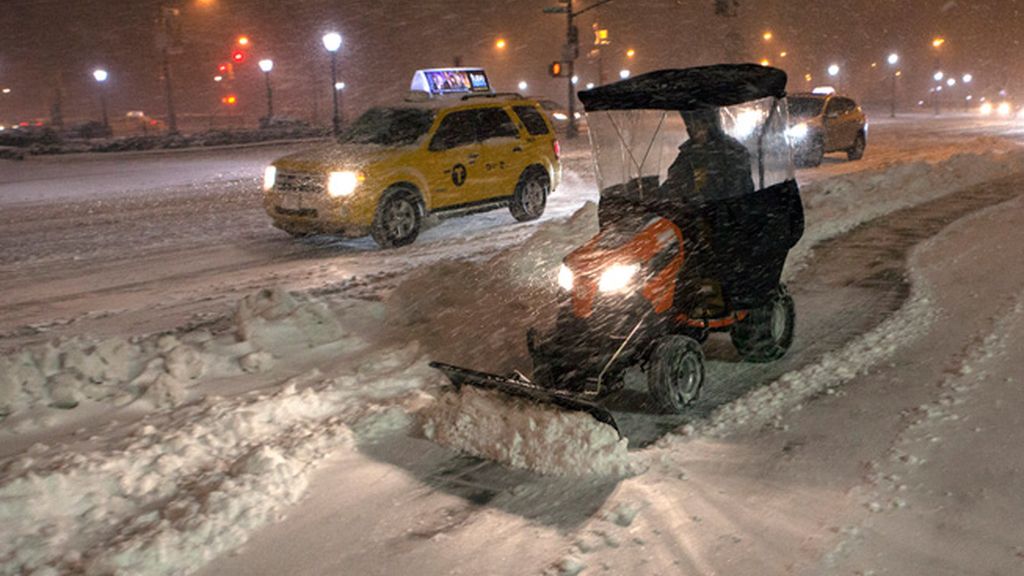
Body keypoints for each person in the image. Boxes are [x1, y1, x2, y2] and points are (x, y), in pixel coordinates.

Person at [656, 108, 756, 316]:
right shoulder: (688, 155)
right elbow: (674, 181)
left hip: (727, 217)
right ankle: (668, 295)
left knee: (706, 244)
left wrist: (705, 200)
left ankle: (712, 296)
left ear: (712, 125)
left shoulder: (732, 152)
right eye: (692, 126)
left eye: (701, 125)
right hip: (692, 214)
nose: (697, 131)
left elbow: (737, 190)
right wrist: (658, 197)